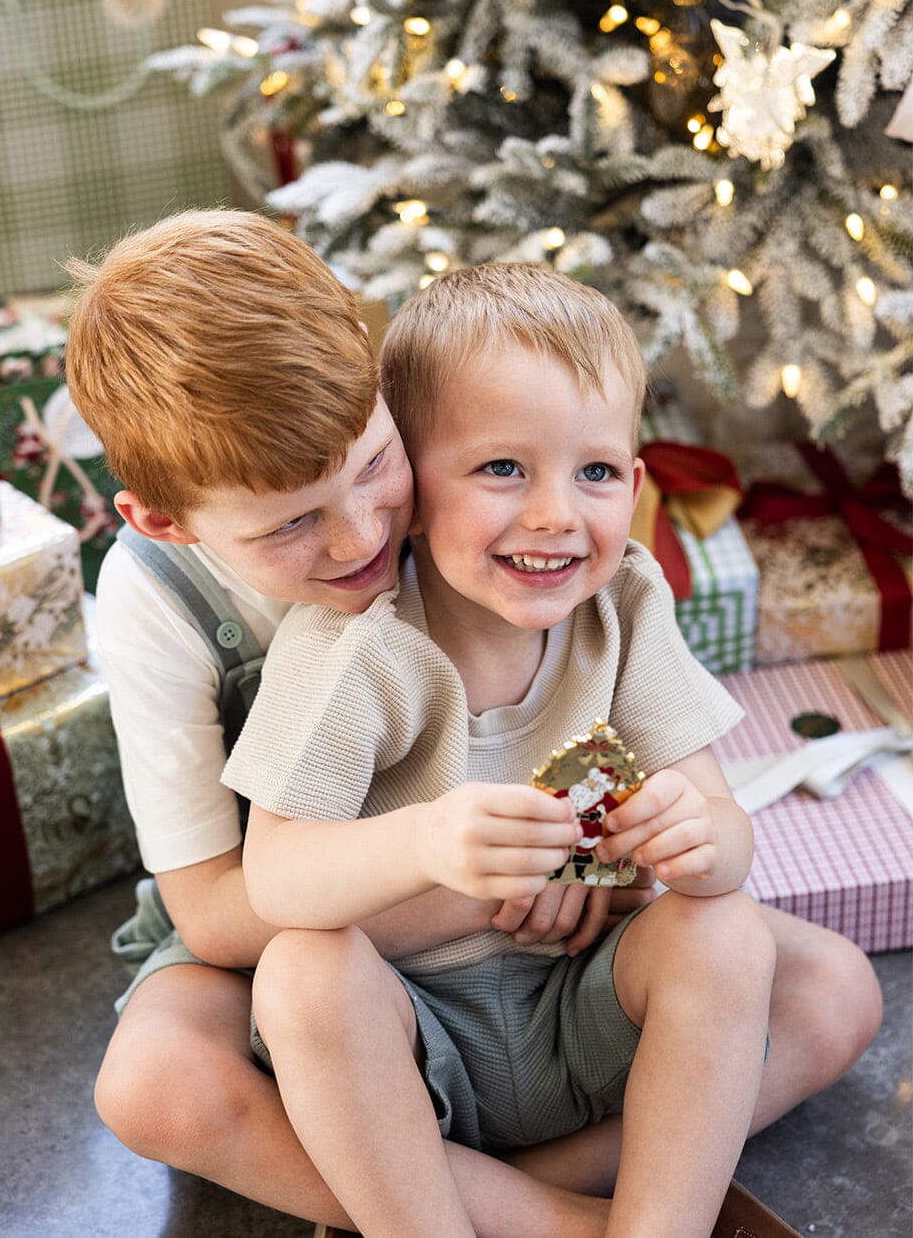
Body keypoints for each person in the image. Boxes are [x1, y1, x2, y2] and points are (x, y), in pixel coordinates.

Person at [222, 263, 884, 1237]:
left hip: (582, 1005)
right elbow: (273, 878)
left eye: (596, 471)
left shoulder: (624, 601)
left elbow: (725, 836)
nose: (554, 515)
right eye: (501, 468)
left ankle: (630, 1221)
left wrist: (693, 835)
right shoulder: (356, 652)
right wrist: (421, 843)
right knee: (301, 976)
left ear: (635, 481)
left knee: (753, 943)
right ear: (407, 483)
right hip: (411, 1039)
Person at [65, 209, 666, 1235]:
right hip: (290, 936)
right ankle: (553, 1212)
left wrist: (591, 850)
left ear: (382, 389)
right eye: (289, 522)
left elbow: (577, 669)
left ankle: (451, 1170)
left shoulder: (452, 480)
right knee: (152, 1087)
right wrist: (495, 881)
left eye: (376, 463)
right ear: (162, 519)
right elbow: (215, 911)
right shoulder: (155, 598)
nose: (360, 537)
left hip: (518, 915)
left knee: (828, 995)